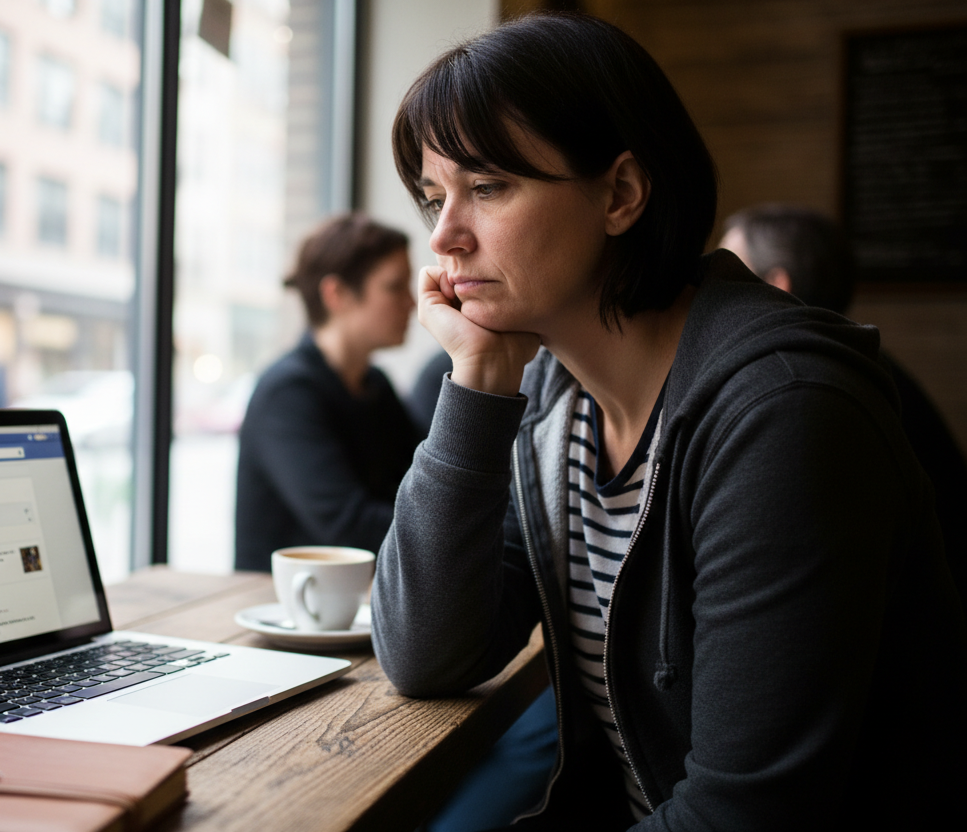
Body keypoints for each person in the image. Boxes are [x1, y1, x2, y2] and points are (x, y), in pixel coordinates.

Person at [370, 12, 966, 832]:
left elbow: (745, 815)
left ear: (619, 193)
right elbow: (427, 656)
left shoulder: (781, 414)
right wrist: (476, 384)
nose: (444, 237)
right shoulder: (554, 400)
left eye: (489, 186)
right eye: (434, 197)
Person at [719, 204, 967, 598]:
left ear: (774, 285)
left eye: (727, 275)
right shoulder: (866, 365)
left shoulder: (804, 394)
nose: (710, 294)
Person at [234, 214, 425, 571]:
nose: (412, 303)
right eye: (395, 286)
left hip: (356, 603)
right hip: (284, 610)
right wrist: (450, 534)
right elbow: (348, 526)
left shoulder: (376, 386)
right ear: (336, 294)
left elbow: (422, 484)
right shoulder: (287, 394)